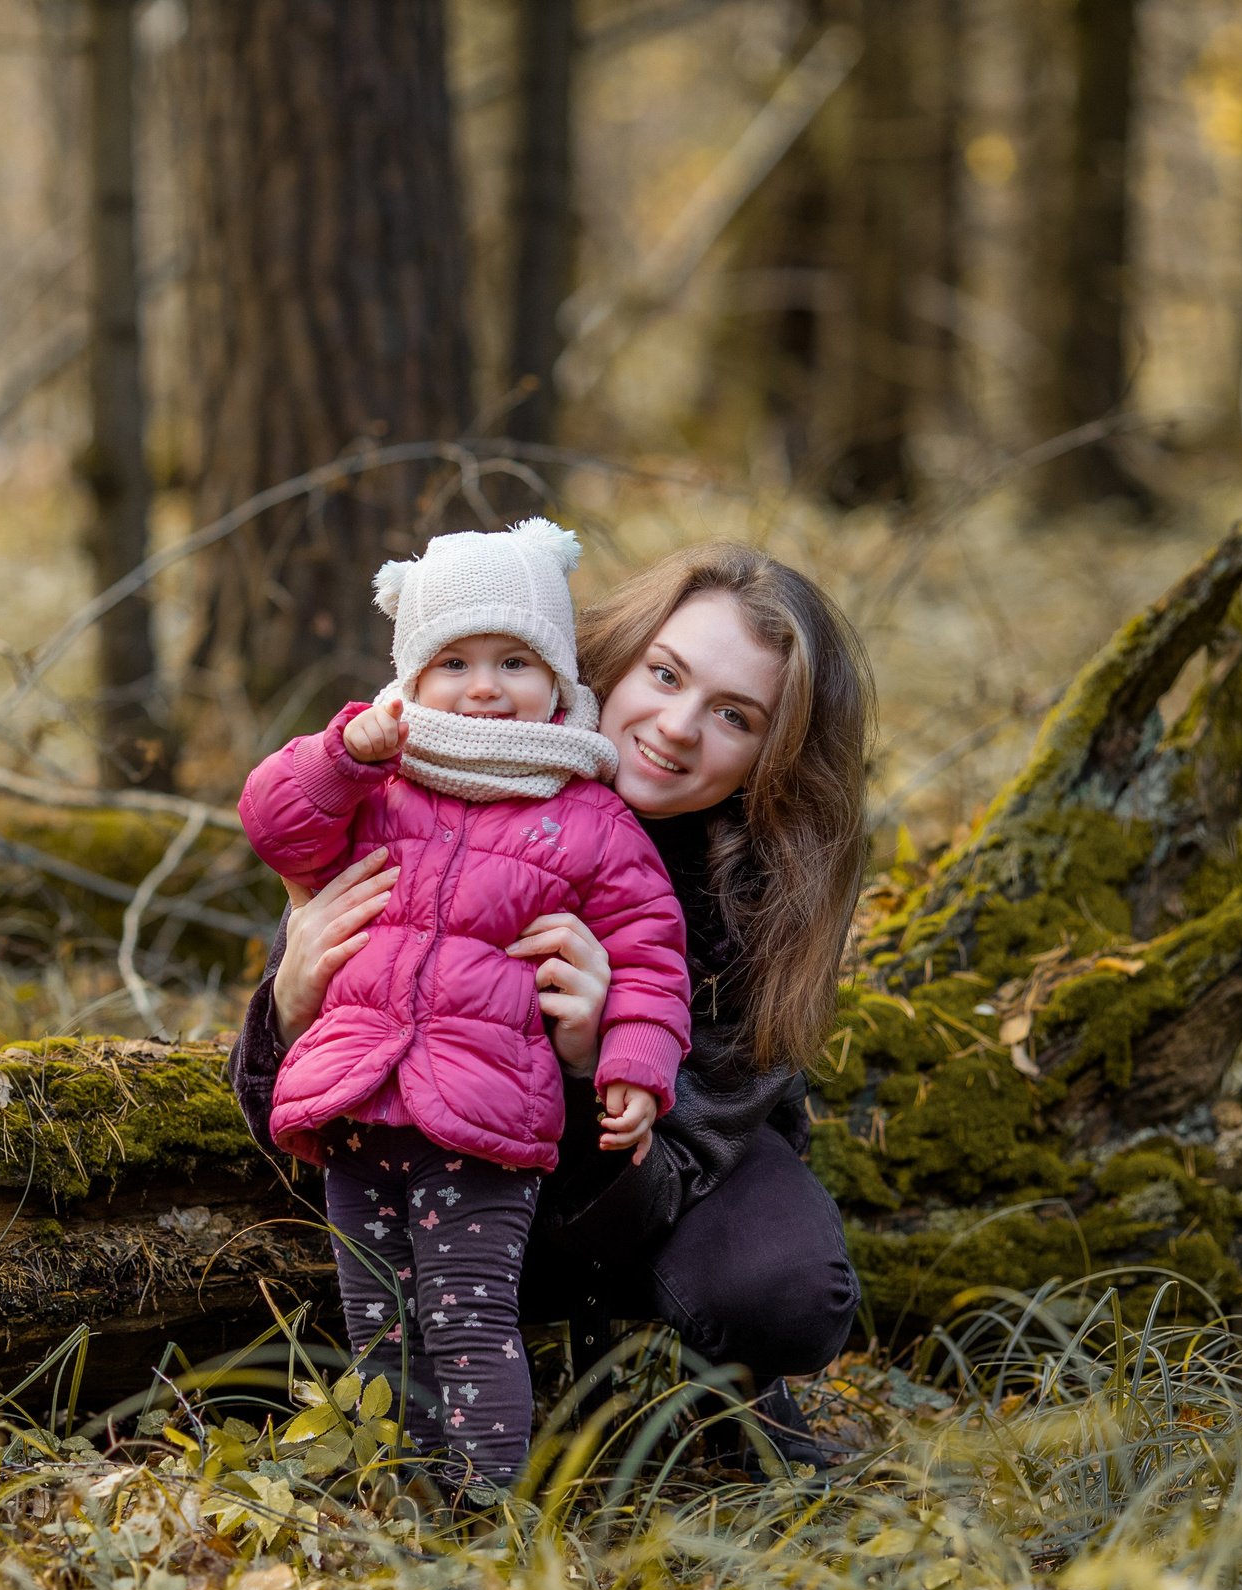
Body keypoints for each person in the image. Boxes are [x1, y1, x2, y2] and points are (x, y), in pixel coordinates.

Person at [231, 541, 868, 1467]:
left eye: (734, 714)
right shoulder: (449, 758)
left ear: (775, 755)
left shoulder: (759, 884)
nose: (678, 726)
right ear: (606, 658)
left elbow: (692, 1141)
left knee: (786, 1288)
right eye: (665, 674)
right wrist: (289, 999)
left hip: (648, 1167)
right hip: (429, 1131)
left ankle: (677, 1376)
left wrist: (592, 1058)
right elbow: (335, 1000)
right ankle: (416, 1424)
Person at [237, 518, 692, 1488]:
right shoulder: (378, 783)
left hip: (483, 1121)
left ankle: (484, 1503)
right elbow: (275, 825)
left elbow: (650, 951)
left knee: (469, 1317)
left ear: (557, 678)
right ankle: (396, 1490)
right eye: (454, 662)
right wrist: (341, 754)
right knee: (379, 1325)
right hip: (357, 1101)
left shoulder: (586, 813)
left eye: (513, 661)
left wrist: (635, 1062)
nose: (483, 686)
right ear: (411, 674)